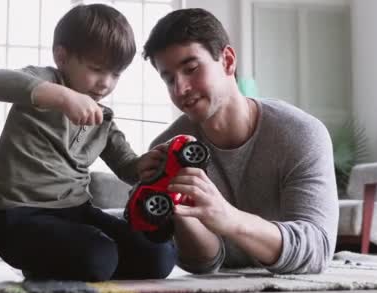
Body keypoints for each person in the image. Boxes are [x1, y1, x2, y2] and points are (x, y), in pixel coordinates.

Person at [0, 4, 175, 282]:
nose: (105, 83)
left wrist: (145, 165)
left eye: (115, 74)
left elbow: (128, 167)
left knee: (159, 256)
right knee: (97, 255)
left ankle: (81, 262)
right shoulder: (45, 82)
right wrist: (61, 96)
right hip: (17, 216)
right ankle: (64, 261)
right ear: (62, 57)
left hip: (76, 213)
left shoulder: (102, 118)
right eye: (96, 69)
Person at [143, 8, 339, 274]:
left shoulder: (301, 134)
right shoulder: (167, 147)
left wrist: (228, 218)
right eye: (169, 79)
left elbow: (317, 249)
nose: (180, 89)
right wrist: (181, 211)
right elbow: (204, 264)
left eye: (191, 69)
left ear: (227, 61)